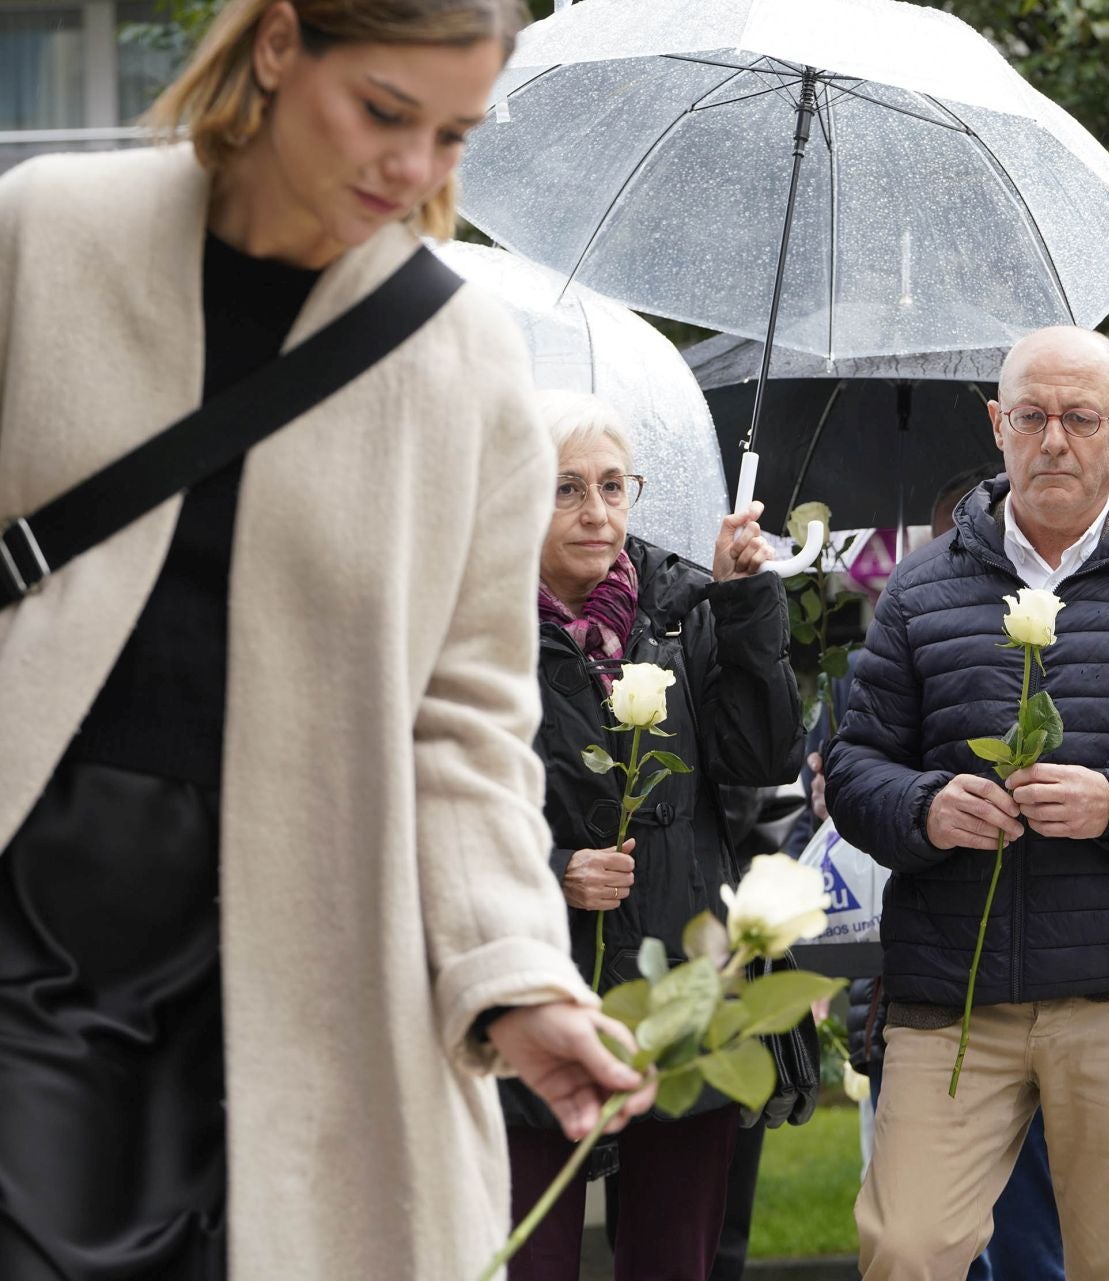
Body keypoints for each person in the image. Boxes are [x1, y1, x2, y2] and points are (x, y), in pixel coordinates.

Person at [0, 1, 659, 1276]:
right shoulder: (44, 236)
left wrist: (516, 976)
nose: (413, 171)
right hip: (31, 912)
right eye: (384, 112)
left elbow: (468, 720)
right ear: (278, 44)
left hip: (304, 940)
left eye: (454, 136)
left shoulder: (459, 359)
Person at [826, 326, 1109, 1279]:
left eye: (1080, 418)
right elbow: (854, 768)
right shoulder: (920, 590)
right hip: (953, 988)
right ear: (997, 426)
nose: (1054, 441)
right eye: (1032, 416)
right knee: (906, 1248)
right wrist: (924, 807)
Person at [501, 391, 803, 1280]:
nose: (596, 513)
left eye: (612, 486)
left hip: (679, 985)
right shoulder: (478, 623)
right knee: (527, 1259)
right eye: (565, 489)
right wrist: (554, 868)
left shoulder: (683, 606)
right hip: (537, 991)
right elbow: (439, 808)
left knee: (673, 1262)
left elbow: (760, 756)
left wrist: (745, 605)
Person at [791, 466, 1066, 1281]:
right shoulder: (879, 651)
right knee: (923, 1238)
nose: (965, 553)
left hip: (1054, 970)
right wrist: (860, 789)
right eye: (950, 536)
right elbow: (852, 793)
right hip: (921, 980)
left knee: (1033, 1238)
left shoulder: (1052, 654)